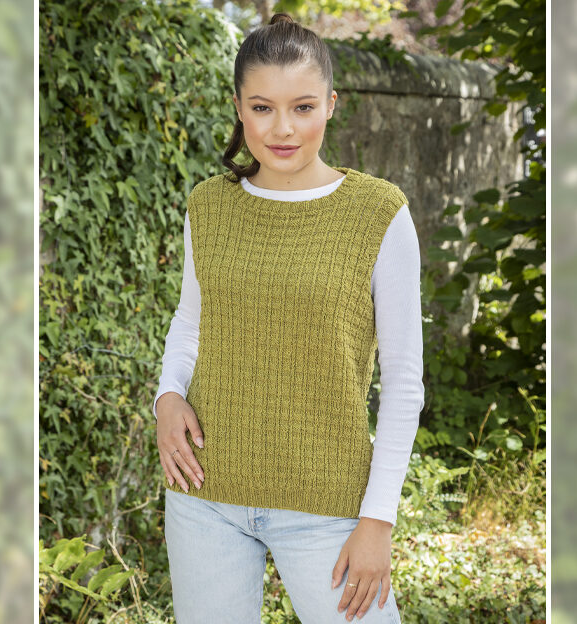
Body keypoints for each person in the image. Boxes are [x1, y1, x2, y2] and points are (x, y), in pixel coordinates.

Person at [152, 12, 424, 623]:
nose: (282, 129)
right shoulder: (210, 204)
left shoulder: (378, 212)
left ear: (330, 104)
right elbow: (191, 322)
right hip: (204, 498)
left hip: (328, 504)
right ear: (239, 108)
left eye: (302, 107)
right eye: (262, 108)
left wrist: (377, 521)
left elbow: (405, 384)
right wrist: (167, 396)